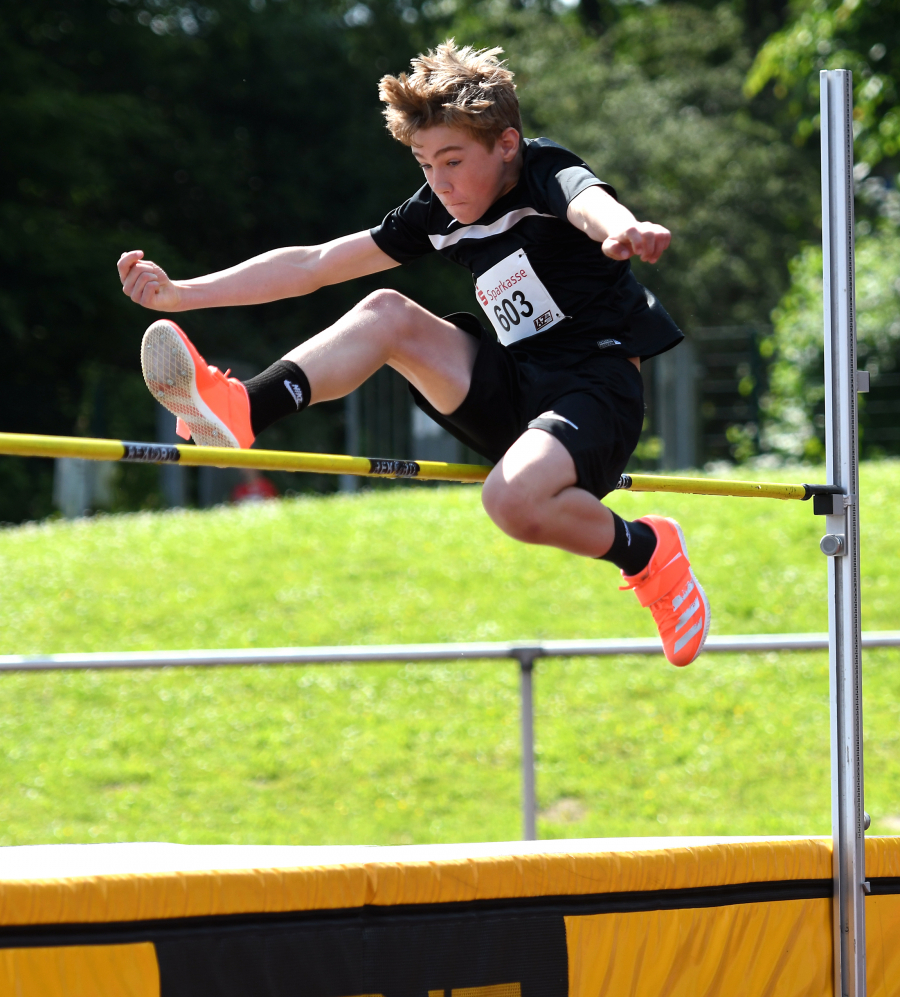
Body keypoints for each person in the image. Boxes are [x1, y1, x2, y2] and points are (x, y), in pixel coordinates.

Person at [116, 41, 709, 666]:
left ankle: (646, 551)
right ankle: (245, 409)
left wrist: (621, 227)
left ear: (505, 144)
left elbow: (586, 199)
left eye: (453, 161)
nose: (440, 183)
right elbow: (316, 264)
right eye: (425, 165)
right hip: (516, 386)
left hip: (595, 388)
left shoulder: (541, 170)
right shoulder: (438, 212)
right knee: (386, 313)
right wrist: (182, 294)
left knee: (509, 502)